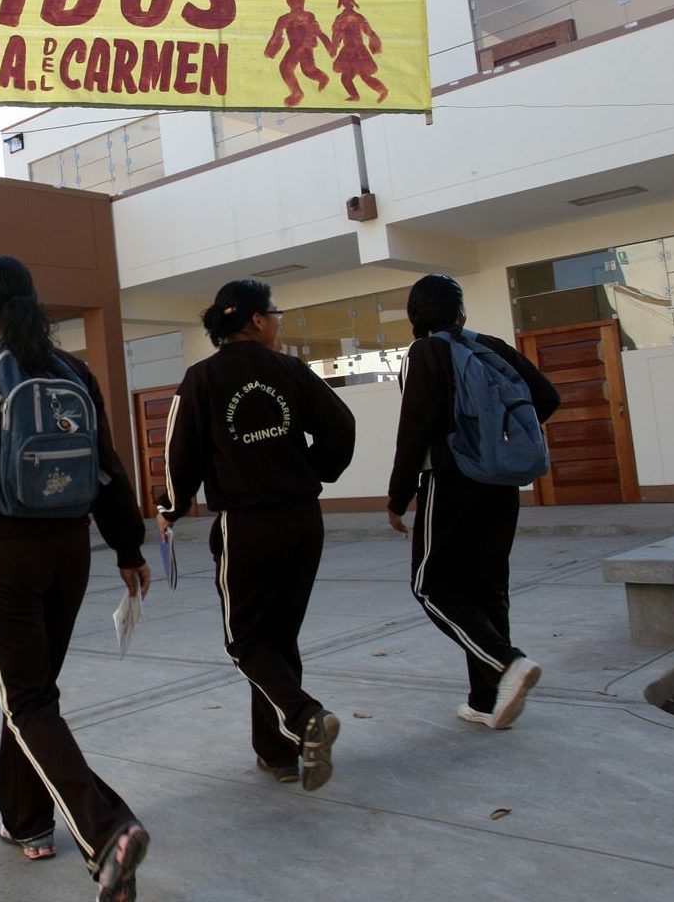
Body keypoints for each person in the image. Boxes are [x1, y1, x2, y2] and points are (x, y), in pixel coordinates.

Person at [0, 255, 151, 900]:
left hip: (1, 553)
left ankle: (106, 828)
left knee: (25, 699)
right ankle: (28, 823)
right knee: (31, 693)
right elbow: (106, 463)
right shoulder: (71, 369)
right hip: (69, 549)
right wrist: (128, 548)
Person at [156, 280, 357, 790]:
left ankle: (305, 716)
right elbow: (341, 425)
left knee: (246, 641)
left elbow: (181, 454)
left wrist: (171, 508)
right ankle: (281, 752)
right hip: (302, 520)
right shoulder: (289, 370)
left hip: (247, 526)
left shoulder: (200, 380)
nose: (278, 321)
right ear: (254, 320)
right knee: (278, 639)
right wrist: (306, 471)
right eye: (275, 313)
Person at [386, 274, 560, 729]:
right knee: (486, 589)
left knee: (431, 584)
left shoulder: (425, 353)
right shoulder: (492, 347)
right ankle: (487, 701)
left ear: (414, 316)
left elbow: (415, 429)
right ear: (460, 312)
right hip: (500, 483)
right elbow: (546, 396)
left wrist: (397, 496)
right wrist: (493, 436)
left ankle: (505, 664)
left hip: (450, 480)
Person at [263, 0, 332, 107]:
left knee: (285, 67)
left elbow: (276, 35)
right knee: (308, 70)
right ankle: (322, 78)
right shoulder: (304, 16)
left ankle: (296, 92)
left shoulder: (288, 18)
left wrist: (269, 52)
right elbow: (277, 35)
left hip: (298, 47)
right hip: (306, 47)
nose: (295, 1)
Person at [328, 0, 388, 103]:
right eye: (343, 0)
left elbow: (368, 31)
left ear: (351, 1)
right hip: (348, 50)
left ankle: (382, 90)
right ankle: (355, 96)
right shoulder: (341, 18)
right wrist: (334, 47)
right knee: (346, 78)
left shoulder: (354, 17)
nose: (346, 2)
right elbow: (337, 35)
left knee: (364, 76)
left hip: (358, 50)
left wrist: (374, 42)